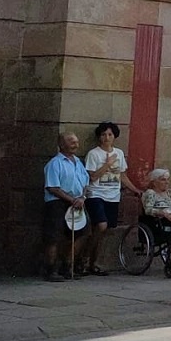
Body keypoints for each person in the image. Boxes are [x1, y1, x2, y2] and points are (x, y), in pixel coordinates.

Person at [82, 121, 138, 276]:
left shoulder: (119, 153)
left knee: (107, 230)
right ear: (99, 137)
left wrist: (136, 190)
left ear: (115, 137)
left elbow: (122, 175)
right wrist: (107, 165)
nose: (107, 137)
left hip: (113, 195)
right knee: (101, 225)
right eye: (103, 135)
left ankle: (96, 261)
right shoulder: (94, 154)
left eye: (110, 134)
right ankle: (85, 258)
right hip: (96, 193)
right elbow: (92, 177)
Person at [43, 132, 90, 282]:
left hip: (77, 202)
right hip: (58, 202)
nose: (75, 144)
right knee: (54, 236)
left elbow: (85, 183)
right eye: (71, 142)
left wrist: (82, 197)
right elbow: (53, 187)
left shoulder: (79, 162)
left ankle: (68, 266)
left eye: (76, 142)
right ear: (61, 145)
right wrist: (71, 199)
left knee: (82, 233)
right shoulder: (55, 163)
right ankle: (51, 269)